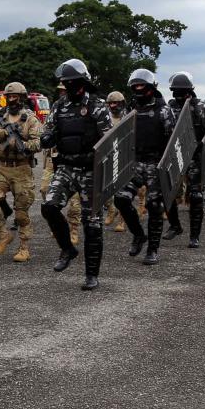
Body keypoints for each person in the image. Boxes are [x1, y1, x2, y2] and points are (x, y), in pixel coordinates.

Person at [40, 59, 112, 290]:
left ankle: (92, 275)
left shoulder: (98, 106)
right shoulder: (59, 106)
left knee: (91, 223)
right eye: (65, 82)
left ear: (82, 82)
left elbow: (109, 140)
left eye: (71, 82)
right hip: (66, 168)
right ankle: (67, 249)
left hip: (91, 170)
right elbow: (49, 130)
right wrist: (47, 138)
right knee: (49, 206)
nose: (68, 86)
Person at [114, 69, 176, 265]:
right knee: (121, 199)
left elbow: (173, 140)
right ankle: (139, 235)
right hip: (134, 163)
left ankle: (153, 250)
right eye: (135, 87)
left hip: (156, 163)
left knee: (154, 206)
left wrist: (168, 169)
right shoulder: (130, 110)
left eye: (142, 86)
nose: (138, 89)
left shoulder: (163, 110)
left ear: (151, 87)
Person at [0, 82, 42, 262]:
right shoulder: (1, 115)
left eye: (15, 97)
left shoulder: (30, 119)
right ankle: (3, 234)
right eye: (9, 97)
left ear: (22, 98)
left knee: (21, 212)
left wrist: (22, 144)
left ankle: (24, 248)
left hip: (22, 169)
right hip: (2, 168)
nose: (11, 100)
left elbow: (39, 143)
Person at [166, 72, 205, 247]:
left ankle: (194, 235)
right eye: (175, 91)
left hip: (195, 156)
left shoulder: (200, 106)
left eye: (182, 91)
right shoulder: (170, 107)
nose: (178, 94)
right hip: (175, 156)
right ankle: (175, 225)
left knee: (196, 196)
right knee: (166, 192)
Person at [40, 84, 83, 245]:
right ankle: (58, 223)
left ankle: (73, 229)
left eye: (65, 90)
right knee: (45, 189)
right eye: (61, 90)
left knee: (75, 201)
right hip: (54, 157)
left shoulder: (82, 108)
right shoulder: (57, 108)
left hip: (74, 161)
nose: (63, 93)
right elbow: (46, 129)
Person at [103, 91, 128, 232]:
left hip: (123, 157)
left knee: (122, 191)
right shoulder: (105, 117)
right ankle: (111, 209)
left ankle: (122, 221)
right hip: (108, 156)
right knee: (105, 189)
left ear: (122, 104)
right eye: (111, 103)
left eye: (116, 103)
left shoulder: (128, 117)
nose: (113, 106)